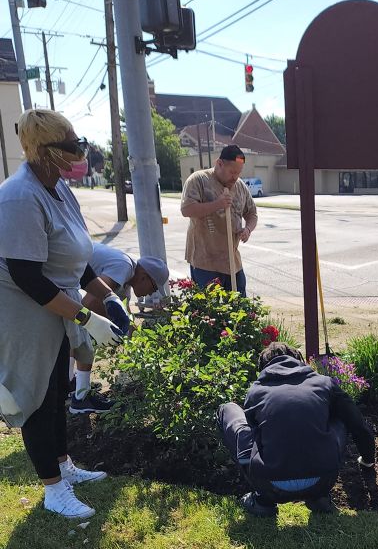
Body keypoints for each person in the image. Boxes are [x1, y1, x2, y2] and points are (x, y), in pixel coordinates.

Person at [0, 109, 128, 520]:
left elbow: (76, 253)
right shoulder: (20, 196)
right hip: (25, 306)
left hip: (55, 299)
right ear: (43, 151)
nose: (79, 152)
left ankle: (63, 465)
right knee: (37, 396)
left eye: (79, 143)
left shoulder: (57, 186)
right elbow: (27, 277)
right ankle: (53, 488)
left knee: (58, 390)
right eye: (71, 146)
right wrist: (86, 318)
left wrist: (104, 296)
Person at [217, 343, 376, 517]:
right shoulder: (324, 384)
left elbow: (253, 439)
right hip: (323, 479)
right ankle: (318, 497)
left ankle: (263, 501)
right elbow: (358, 426)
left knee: (229, 410)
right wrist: (367, 461)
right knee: (340, 415)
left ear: (263, 368)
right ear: (299, 361)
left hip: (270, 484)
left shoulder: (256, 392)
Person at [67, 243, 169, 414]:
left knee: (85, 328)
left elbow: (124, 319)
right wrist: (105, 325)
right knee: (85, 327)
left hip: (64, 279)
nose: (151, 294)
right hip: (57, 276)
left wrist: (143, 341)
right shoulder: (124, 266)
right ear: (144, 276)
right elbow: (89, 303)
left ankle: (70, 383)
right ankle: (80, 396)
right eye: (153, 288)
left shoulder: (125, 283)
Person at [180, 144, 258, 293]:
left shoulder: (240, 186)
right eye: (232, 172)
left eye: (239, 173)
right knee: (211, 310)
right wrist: (218, 204)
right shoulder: (199, 180)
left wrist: (248, 229)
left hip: (232, 261)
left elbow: (252, 214)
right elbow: (186, 209)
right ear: (219, 164)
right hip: (205, 262)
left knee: (240, 307)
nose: (235, 177)